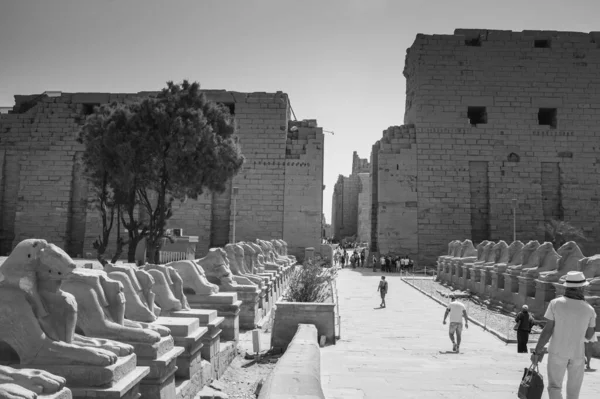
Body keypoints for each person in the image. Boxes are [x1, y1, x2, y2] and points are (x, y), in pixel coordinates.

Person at [531, 271, 597, 399]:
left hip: (557, 352)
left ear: (567, 286)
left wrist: (537, 351)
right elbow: (589, 336)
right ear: (582, 288)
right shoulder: (589, 309)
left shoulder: (555, 303)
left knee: (555, 387)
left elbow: (547, 330)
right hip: (577, 354)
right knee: (574, 392)